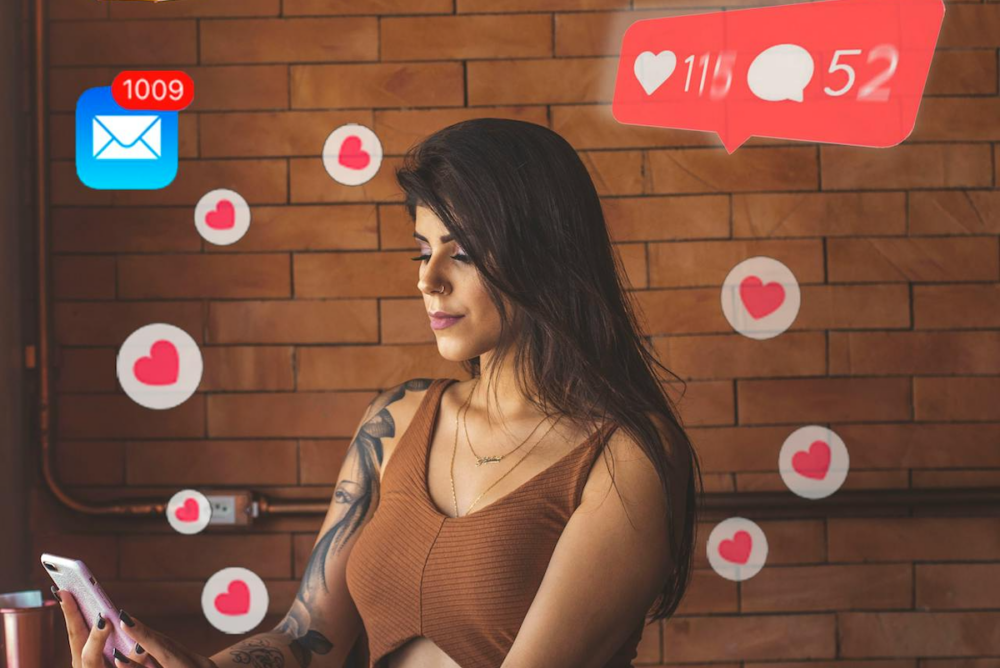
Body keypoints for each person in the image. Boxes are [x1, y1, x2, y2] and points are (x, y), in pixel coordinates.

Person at [55, 118, 703, 668]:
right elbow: (308, 638)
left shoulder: (627, 457)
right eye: (422, 251)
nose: (429, 281)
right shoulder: (397, 417)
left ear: (544, 254)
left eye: (463, 253)